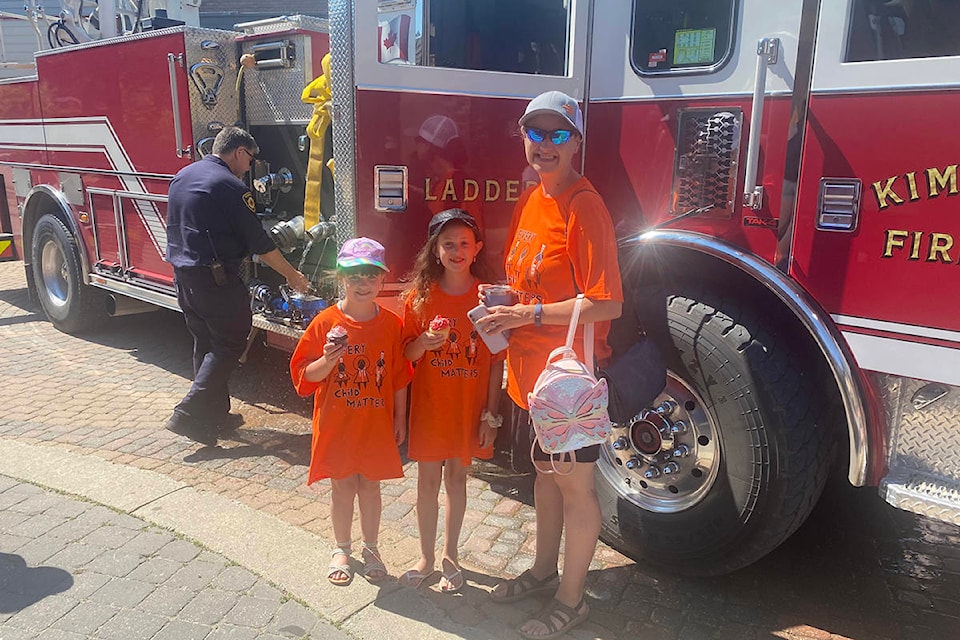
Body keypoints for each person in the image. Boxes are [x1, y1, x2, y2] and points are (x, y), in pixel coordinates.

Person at [476, 91, 623, 639]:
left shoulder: (585, 205)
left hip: (567, 382)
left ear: (577, 141)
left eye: (558, 134)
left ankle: (571, 598)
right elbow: (531, 280)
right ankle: (542, 572)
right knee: (544, 475)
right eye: (535, 133)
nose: (544, 144)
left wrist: (527, 311)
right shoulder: (531, 201)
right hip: (529, 378)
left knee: (575, 486)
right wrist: (504, 297)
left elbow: (607, 301)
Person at [164, 126, 310, 446]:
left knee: (205, 344)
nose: (248, 168)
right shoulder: (229, 186)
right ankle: (187, 412)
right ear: (239, 152)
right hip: (216, 280)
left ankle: (214, 417)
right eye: (250, 160)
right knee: (229, 344)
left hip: (184, 276)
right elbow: (259, 242)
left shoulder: (183, 176)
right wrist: (292, 275)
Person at [289, 237, 412, 586]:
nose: (363, 283)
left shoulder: (391, 324)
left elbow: (400, 376)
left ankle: (371, 547)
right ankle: (341, 547)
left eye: (371, 276)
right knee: (342, 488)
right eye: (355, 275)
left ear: (382, 280)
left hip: (375, 424)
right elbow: (304, 377)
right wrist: (328, 359)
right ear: (341, 277)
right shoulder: (325, 323)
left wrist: (400, 418)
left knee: (371, 487)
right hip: (337, 423)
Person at [398, 209, 505, 593]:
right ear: (435, 250)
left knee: (457, 480)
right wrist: (423, 344)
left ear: (476, 248)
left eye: (464, 243)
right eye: (448, 244)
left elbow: (495, 363)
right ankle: (425, 556)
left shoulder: (488, 300)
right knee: (427, 482)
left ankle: (450, 555)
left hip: (467, 411)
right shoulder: (420, 299)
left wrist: (490, 415)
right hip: (429, 410)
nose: (456, 250)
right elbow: (405, 356)